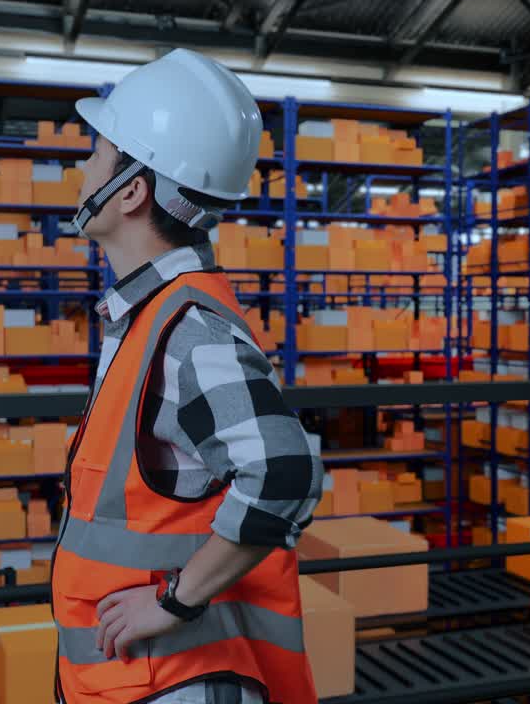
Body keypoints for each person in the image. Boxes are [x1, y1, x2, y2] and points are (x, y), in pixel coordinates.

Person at [50, 48, 324, 704]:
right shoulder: (151, 315)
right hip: (136, 678)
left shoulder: (186, 329)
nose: (83, 169)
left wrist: (173, 601)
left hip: (174, 681)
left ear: (131, 191)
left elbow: (284, 473)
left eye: (97, 153)